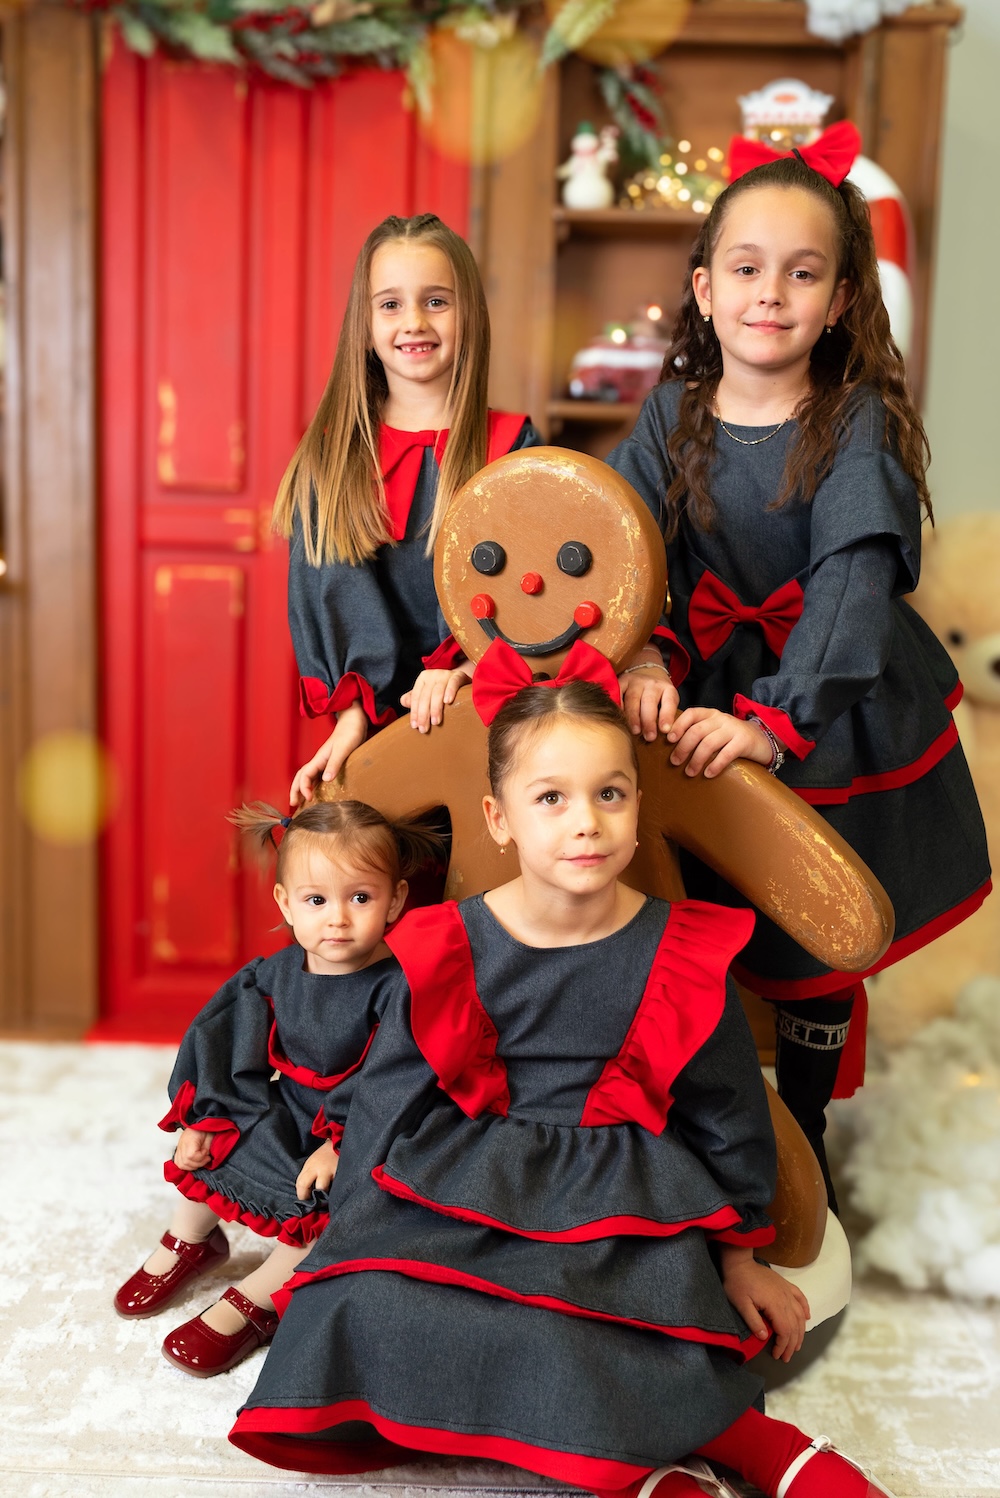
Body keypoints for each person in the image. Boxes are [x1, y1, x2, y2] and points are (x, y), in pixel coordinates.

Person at [229, 666, 895, 1497]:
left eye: (610, 794)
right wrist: (352, 1235)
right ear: (498, 819)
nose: (586, 822)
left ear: (637, 805)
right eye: (551, 798)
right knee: (366, 1304)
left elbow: (729, 1113)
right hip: (467, 1175)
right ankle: (639, 1469)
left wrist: (741, 1255)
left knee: (609, 1318)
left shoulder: (680, 952)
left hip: (619, 1190)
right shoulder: (449, 944)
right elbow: (390, 1101)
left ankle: (755, 1446)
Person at [606, 134, 990, 1209]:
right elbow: (623, 545)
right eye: (746, 267)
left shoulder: (851, 419)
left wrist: (776, 721)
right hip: (703, 681)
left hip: (823, 696)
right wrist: (640, 648)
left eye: (802, 272)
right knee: (690, 911)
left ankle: (803, 1139)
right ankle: (701, 1124)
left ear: (839, 300)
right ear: (704, 287)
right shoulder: (671, 411)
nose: (769, 292)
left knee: (811, 924)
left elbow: (851, 583)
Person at [113, 799, 438, 1377]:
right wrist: (204, 1115)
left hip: (360, 1129)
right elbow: (223, 1042)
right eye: (316, 901)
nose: (337, 919)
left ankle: (259, 1299)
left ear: (396, 901)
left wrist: (340, 1143)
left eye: (360, 898)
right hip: (290, 1107)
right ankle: (189, 1239)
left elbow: (397, 1078)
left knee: (326, 1206)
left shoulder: (398, 990)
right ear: (285, 903)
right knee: (216, 1140)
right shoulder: (273, 976)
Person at [274, 212, 541, 809]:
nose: (414, 321)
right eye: (390, 304)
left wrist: (468, 668)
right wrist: (351, 717)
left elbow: (531, 589)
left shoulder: (513, 446)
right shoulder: (331, 460)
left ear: (469, 314)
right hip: (376, 728)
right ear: (364, 326)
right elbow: (329, 591)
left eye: (436, 301)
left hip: (491, 712)